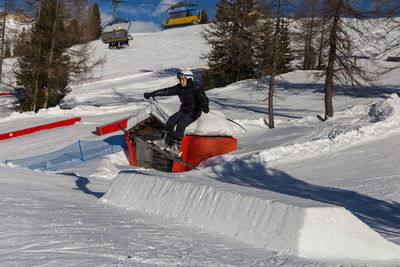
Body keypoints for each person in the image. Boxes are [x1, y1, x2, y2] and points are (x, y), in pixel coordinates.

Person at [144, 70, 209, 147]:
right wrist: (152, 94)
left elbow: (203, 98)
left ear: (189, 79)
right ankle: (162, 140)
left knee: (181, 123)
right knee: (171, 120)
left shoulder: (196, 88)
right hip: (184, 110)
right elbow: (166, 91)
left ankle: (176, 146)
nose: (181, 81)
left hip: (194, 111)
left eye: (183, 79)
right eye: (180, 79)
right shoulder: (179, 88)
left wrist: (205, 106)